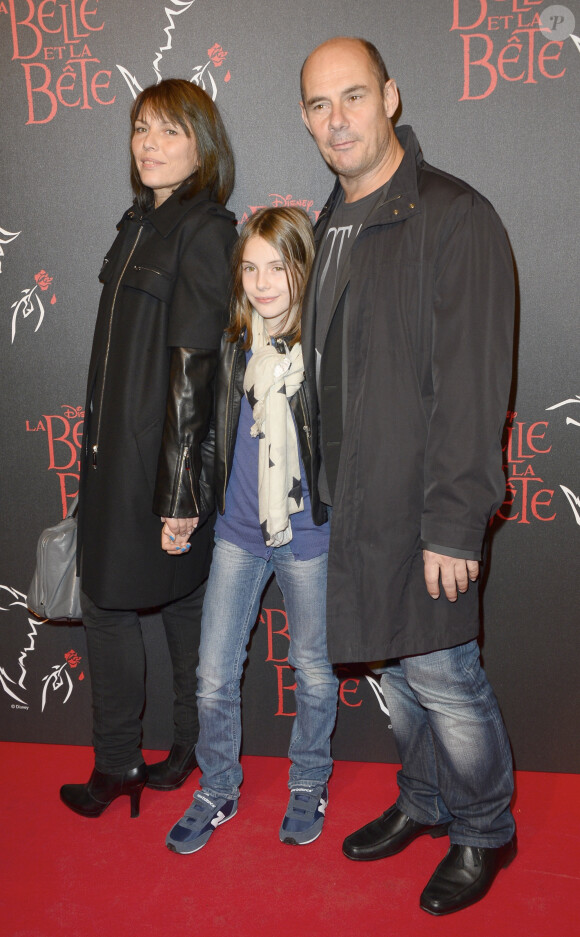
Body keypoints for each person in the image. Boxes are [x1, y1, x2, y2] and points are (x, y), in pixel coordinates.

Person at [298, 37, 516, 914]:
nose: (337, 118)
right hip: (353, 509)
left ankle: (484, 829)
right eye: (318, 105)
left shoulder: (454, 215)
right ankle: (425, 802)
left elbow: (473, 382)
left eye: (353, 95)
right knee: (403, 683)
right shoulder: (328, 222)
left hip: (423, 509)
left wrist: (455, 520)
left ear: (390, 95)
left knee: (446, 679)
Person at [60, 79, 237, 818]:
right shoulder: (138, 223)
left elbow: (195, 371)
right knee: (176, 609)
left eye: (168, 131)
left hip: (154, 470)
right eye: (141, 129)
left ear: (202, 145)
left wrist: (179, 497)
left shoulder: (205, 230)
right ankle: (171, 749)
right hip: (112, 461)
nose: (149, 144)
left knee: (127, 608)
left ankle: (126, 761)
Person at [165, 206, 339, 854]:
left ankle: (309, 782)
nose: (264, 282)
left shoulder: (325, 349)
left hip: (308, 537)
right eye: (251, 267)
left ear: (304, 267)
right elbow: (204, 434)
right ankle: (217, 787)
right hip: (238, 531)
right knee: (212, 673)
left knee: (314, 671)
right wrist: (186, 502)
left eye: (278, 265)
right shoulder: (234, 341)